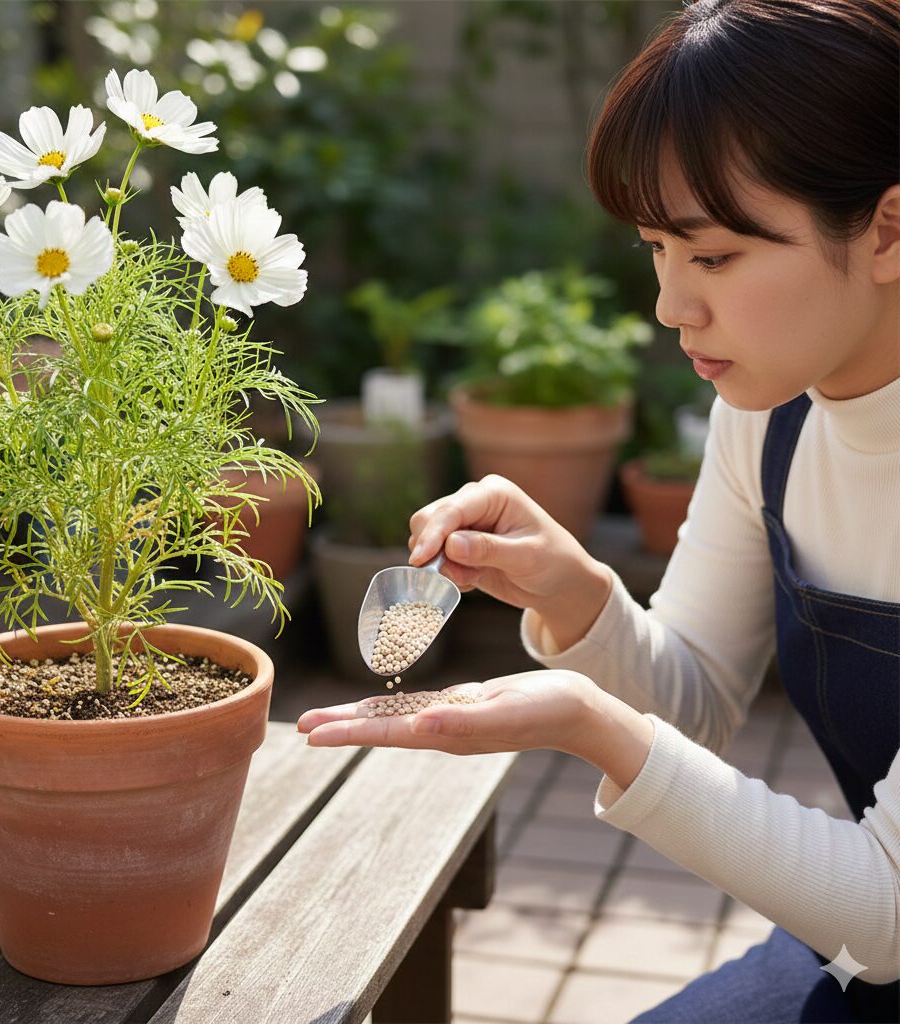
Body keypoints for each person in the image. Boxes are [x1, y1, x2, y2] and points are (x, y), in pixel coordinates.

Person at [298, 0, 900, 1019]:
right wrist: (574, 594)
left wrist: (590, 727)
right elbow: (697, 696)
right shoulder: (770, 418)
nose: (671, 306)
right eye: (654, 249)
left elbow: (887, 912)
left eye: (712, 256)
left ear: (888, 228)